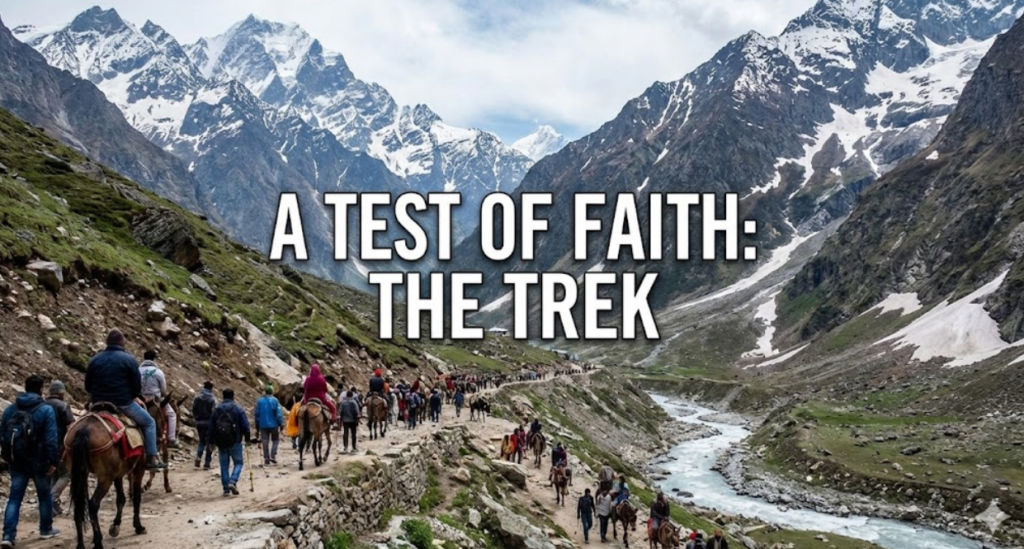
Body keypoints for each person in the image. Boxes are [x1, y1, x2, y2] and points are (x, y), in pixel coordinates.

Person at [85, 330, 167, 470]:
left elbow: (87, 386)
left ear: (107, 342)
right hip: (123, 403)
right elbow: (136, 387)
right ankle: (152, 457)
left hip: (97, 403)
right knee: (149, 423)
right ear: (122, 343)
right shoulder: (128, 359)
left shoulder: (95, 359)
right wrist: (133, 397)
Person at [1, 375, 61, 546]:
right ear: (41, 389)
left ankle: (8, 536)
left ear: (25, 387)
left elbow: (3, 435)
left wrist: (9, 456)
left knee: (14, 499)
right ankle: (45, 530)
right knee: (44, 496)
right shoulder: (45, 410)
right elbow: (51, 439)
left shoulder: (11, 409)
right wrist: (53, 462)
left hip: (17, 461)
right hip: (39, 461)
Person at [208, 388, 250, 497]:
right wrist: (247, 438)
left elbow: (211, 427)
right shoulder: (238, 408)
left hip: (221, 441)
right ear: (233, 396)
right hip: (235, 440)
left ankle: (226, 489)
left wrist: (211, 441)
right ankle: (233, 481)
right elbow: (245, 425)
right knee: (238, 463)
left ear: (223, 396)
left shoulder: (217, 409)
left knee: (224, 465)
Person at [44, 381, 75, 516]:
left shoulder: (42, 405)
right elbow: (71, 428)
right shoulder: (63, 406)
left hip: (42, 447)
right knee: (66, 474)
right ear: (61, 393)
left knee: (54, 475)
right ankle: (50, 500)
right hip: (59, 446)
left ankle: (54, 507)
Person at [139, 350, 178, 448]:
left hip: (140, 399)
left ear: (144, 357)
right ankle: (171, 439)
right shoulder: (158, 372)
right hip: (155, 400)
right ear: (154, 358)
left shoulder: (137, 370)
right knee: (172, 415)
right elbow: (163, 390)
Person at [254, 385, 283, 466]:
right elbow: (278, 414)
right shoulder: (275, 400)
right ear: (272, 392)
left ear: (265, 392)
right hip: (273, 424)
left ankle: (266, 458)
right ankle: (273, 455)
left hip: (262, 425)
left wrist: (257, 427)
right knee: (275, 440)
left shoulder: (260, 401)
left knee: (265, 441)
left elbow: (256, 414)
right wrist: (280, 424)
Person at [192, 381, 216, 469]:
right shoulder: (212, 399)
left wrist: (196, 418)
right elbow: (214, 412)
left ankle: (198, 457)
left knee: (202, 441)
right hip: (209, 423)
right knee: (210, 442)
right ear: (211, 388)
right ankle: (207, 463)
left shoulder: (197, 398)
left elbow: (193, 409)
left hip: (199, 422)